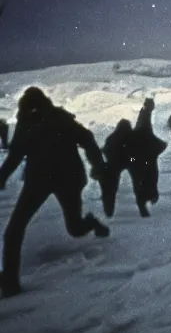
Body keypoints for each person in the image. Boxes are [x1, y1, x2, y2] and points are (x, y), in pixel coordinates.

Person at [0, 88, 110, 298]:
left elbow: (86, 138)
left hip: (66, 180)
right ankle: (10, 282)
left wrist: (98, 166)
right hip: (40, 180)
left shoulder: (59, 120)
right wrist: (2, 177)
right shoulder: (30, 122)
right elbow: (15, 155)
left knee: (74, 228)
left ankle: (91, 223)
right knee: (14, 230)